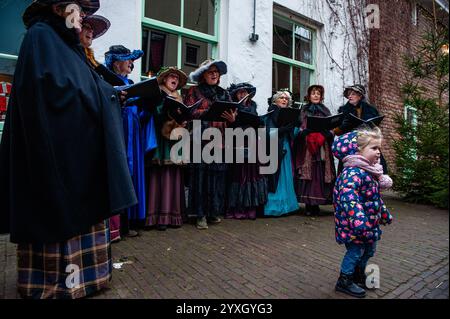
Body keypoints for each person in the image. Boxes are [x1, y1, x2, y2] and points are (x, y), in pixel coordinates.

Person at [0, 0, 137, 299]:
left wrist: (108, 95)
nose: (84, 18)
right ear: (59, 8)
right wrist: (102, 97)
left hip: (80, 148)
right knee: (58, 214)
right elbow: (53, 92)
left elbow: (85, 85)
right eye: (80, 10)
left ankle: (87, 280)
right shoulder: (41, 37)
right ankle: (60, 285)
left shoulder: (70, 47)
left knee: (84, 210)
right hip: (56, 150)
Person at [332, 126, 393, 298]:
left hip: (369, 224)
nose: (378, 152)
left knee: (369, 250)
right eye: (374, 148)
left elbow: (374, 198)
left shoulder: (368, 172)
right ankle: (344, 280)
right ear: (357, 151)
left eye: (379, 148)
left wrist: (384, 213)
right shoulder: (352, 173)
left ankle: (358, 274)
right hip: (354, 225)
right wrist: (358, 219)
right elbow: (348, 198)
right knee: (355, 251)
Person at [104, 45, 156, 241]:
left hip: (133, 139)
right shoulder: (107, 82)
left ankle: (129, 222)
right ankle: (116, 227)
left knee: (133, 178)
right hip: (118, 137)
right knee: (120, 176)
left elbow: (138, 117)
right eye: (128, 60)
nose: (131, 64)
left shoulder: (133, 84)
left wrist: (148, 107)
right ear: (116, 62)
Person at [184, 59, 236, 229]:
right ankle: (200, 215)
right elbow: (189, 111)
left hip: (220, 141)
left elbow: (230, 115)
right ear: (202, 76)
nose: (214, 74)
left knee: (216, 178)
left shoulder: (224, 94)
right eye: (210, 72)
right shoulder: (194, 91)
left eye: (216, 72)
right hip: (201, 140)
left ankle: (213, 211)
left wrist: (232, 119)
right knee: (200, 178)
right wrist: (209, 111)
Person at [146, 67, 188, 230]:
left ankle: (174, 216)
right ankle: (158, 217)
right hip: (161, 140)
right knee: (160, 174)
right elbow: (153, 114)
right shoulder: (158, 95)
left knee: (174, 175)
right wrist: (163, 109)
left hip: (175, 140)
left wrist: (184, 120)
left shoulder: (179, 97)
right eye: (171, 76)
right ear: (164, 79)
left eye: (177, 78)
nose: (174, 79)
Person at [225, 83, 268, 220]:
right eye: (240, 93)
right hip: (237, 142)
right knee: (239, 175)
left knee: (251, 175)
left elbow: (257, 125)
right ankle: (237, 208)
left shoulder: (253, 107)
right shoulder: (232, 107)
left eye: (245, 92)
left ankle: (251, 208)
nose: (243, 95)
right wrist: (232, 121)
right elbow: (228, 128)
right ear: (235, 95)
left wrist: (260, 123)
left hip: (253, 143)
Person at [294, 85, 336, 216]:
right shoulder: (303, 110)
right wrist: (303, 132)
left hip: (322, 146)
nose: (316, 95)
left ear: (321, 96)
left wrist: (328, 133)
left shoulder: (326, 111)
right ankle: (308, 204)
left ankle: (317, 204)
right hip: (307, 147)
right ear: (309, 95)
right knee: (308, 173)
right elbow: (298, 126)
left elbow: (331, 126)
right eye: (313, 93)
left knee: (320, 172)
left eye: (318, 93)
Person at [334, 84, 388, 174]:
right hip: (351, 146)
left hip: (366, 144)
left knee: (372, 169)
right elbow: (337, 132)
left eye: (353, 94)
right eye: (349, 94)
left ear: (360, 96)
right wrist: (344, 126)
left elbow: (375, 129)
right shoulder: (343, 111)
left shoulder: (371, 110)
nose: (350, 96)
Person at [263, 90, 300, 217]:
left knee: (286, 176)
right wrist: (283, 129)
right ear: (275, 100)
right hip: (274, 148)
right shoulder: (271, 113)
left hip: (286, 148)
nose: (284, 100)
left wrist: (296, 126)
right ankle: (273, 207)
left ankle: (286, 207)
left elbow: (294, 134)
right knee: (275, 177)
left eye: (286, 98)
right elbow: (267, 133)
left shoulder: (290, 115)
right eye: (281, 97)